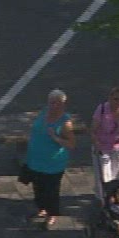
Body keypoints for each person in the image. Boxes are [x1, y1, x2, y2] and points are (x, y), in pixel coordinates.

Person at [24, 90, 75, 227]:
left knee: (51, 191)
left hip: (52, 164)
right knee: (38, 187)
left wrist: (56, 138)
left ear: (62, 104)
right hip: (35, 160)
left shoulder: (65, 122)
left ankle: (51, 215)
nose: (53, 106)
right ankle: (41, 208)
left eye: (56, 103)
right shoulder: (43, 112)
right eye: (51, 102)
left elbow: (71, 144)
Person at [90, 87, 119, 196]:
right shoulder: (102, 109)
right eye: (115, 99)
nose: (117, 102)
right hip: (103, 148)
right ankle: (103, 198)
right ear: (110, 98)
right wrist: (96, 143)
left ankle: (107, 195)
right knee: (104, 176)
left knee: (113, 175)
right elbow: (93, 130)